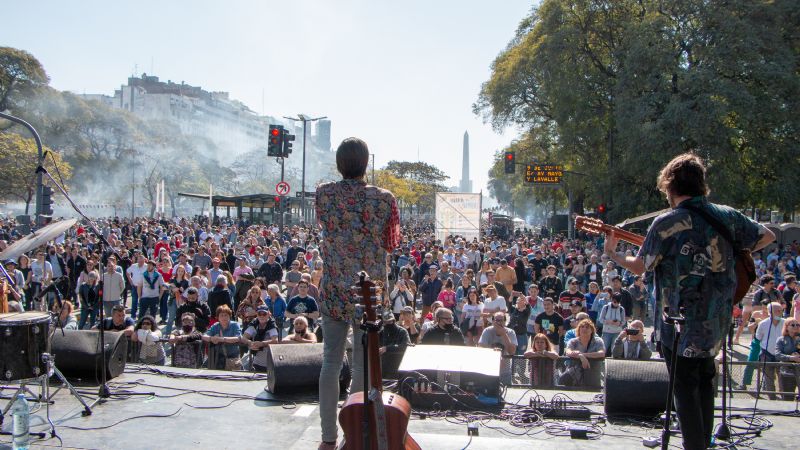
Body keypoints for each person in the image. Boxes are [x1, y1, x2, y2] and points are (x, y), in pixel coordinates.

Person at [605, 153, 773, 450]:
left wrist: (615, 254)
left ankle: (694, 445)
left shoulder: (667, 222)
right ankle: (702, 443)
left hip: (678, 320)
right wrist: (729, 255)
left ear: (669, 185)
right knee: (706, 380)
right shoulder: (728, 215)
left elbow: (641, 265)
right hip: (717, 317)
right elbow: (766, 235)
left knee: (684, 387)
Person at [315, 138, 400, 450]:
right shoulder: (384, 199)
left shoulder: (323, 194)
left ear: (340, 164)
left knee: (330, 362)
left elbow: (328, 226)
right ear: (366, 163)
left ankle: (327, 438)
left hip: (334, 289)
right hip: (368, 295)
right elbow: (391, 242)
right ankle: (356, 435)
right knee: (363, 367)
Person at [561, 319, 605, 386]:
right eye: (582, 327)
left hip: (592, 374)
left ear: (592, 330)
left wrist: (583, 355)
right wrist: (580, 356)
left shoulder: (598, 341)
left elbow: (601, 353)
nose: (584, 329)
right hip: (574, 375)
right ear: (578, 329)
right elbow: (568, 352)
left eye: (587, 327)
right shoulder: (573, 341)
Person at [755, 302, 785, 399]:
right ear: (770, 312)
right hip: (766, 354)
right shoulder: (763, 324)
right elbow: (758, 337)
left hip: (781, 355)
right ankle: (772, 400)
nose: (780, 313)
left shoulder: (785, 323)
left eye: (781, 310)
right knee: (769, 379)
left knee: (783, 379)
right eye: (777, 311)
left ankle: (785, 400)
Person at [202, 305, 242, 370]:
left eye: (226, 315)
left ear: (229, 316)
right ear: (218, 317)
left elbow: (238, 338)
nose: (224, 317)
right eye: (221, 315)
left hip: (232, 359)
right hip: (218, 358)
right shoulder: (216, 326)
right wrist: (211, 338)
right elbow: (204, 336)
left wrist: (221, 339)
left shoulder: (235, 325)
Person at [241, 306, 279, 370]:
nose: (262, 316)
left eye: (264, 314)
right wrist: (250, 343)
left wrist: (262, 343)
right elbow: (244, 337)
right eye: (259, 314)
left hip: (270, 363)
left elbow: (275, 341)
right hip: (256, 362)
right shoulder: (254, 323)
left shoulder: (272, 325)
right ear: (257, 315)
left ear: (268, 314)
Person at [774, 317, 800, 400]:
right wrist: (791, 357)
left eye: (798, 325)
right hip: (787, 372)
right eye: (793, 325)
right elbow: (777, 355)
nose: (796, 326)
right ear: (787, 327)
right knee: (788, 397)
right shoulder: (781, 340)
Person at [598, 292, 626, 356]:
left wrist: (619, 323)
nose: (616, 304)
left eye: (618, 302)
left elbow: (623, 321)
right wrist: (608, 321)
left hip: (617, 332)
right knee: (603, 348)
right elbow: (600, 319)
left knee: (614, 349)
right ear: (612, 300)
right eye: (615, 302)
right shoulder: (606, 307)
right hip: (606, 331)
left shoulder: (621, 309)